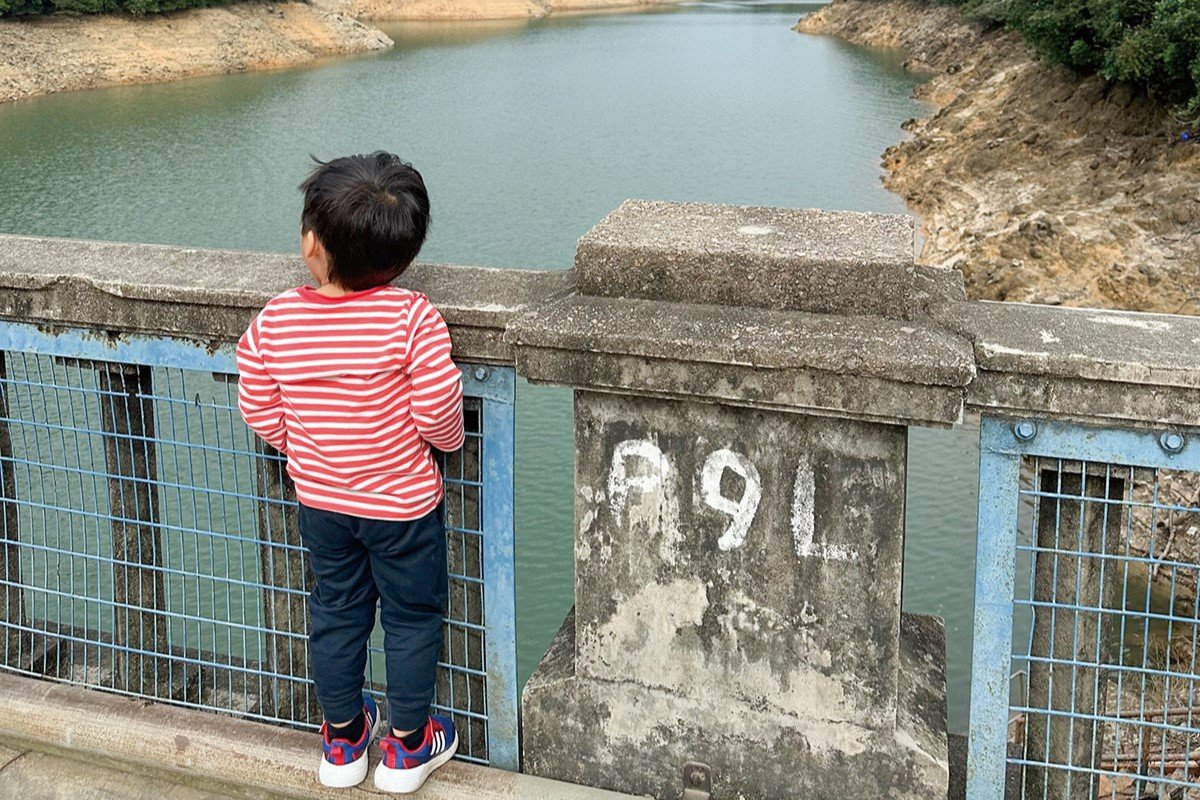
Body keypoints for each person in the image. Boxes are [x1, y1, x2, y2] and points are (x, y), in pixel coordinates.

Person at [236, 152, 464, 793]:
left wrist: (301, 446)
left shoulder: (278, 319)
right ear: (402, 257)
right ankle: (410, 747)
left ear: (313, 245)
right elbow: (438, 412)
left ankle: (342, 745)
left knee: (337, 613)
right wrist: (440, 448)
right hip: (404, 506)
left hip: (323, 503)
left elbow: (257, 401)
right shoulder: (413, 318)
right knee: (413, 619)